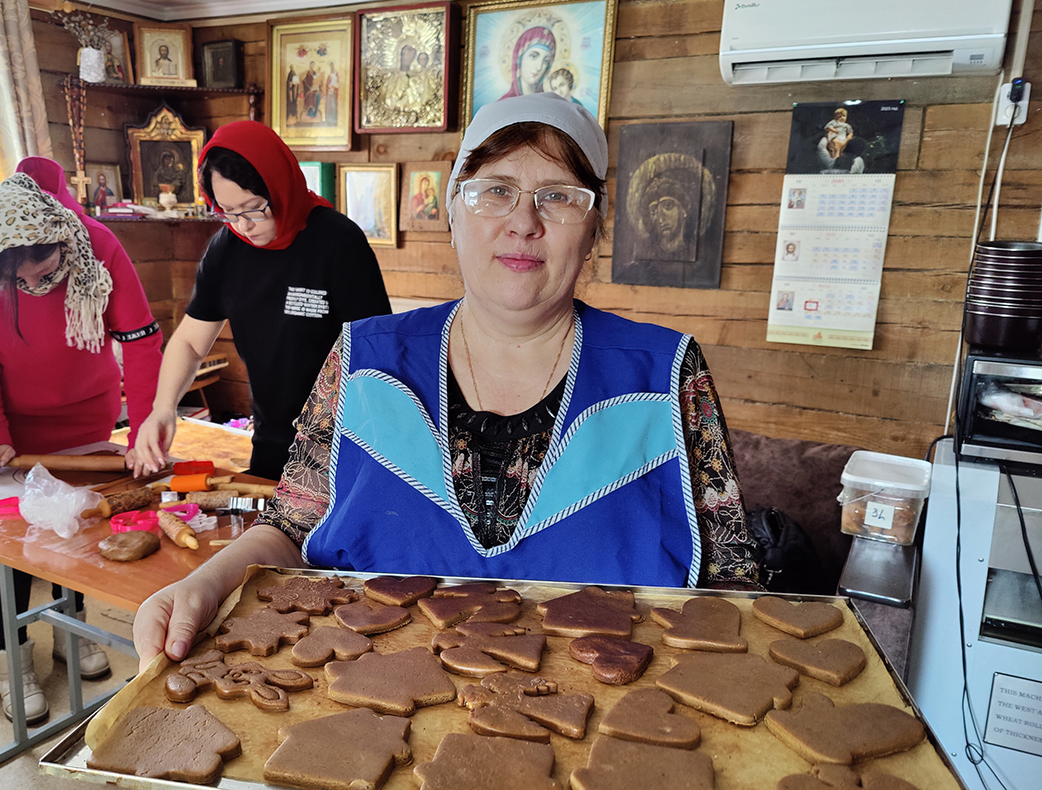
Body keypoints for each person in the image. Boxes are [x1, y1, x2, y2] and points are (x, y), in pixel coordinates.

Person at [133, 93, 761, 669]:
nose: (523, 222)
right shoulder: (363, 360)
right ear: (454, 214)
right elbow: (295, 529)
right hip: (372, 731)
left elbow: (733, 583)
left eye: (560, 195)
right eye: (495, 191)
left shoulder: (664, 375)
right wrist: (205, 583)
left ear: (595, 227)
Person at [0, 156, 163, 723]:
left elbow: (138, 341)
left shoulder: (99, 243)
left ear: (65, 236)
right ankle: (11, 656)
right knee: (5, 540)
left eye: (46, 272)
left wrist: (146, 428)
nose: (34, 285)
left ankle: (68, 631)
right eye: (19, 280)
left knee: (75, 520)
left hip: (81, 414)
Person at [132, 121, 391, 482]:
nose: (244, 225)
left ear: (279, 185)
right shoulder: (225, 251)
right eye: (228, 212)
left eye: (254, 208)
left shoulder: (337, 243)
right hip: (273, 445)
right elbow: (191, 341)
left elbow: (376, 352)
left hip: (343, 448)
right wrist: (163, 408)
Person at [499, 26, 555, 99]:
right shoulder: (503, 104)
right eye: (533, 56)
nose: (539, 67)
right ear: (519, 58)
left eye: (546, 61)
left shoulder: (549, 102)